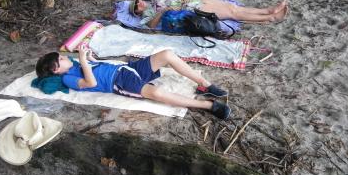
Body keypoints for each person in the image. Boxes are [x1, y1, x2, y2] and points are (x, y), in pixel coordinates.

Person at [35, 47, 231, 120]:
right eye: (60, 60)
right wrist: (84, 61)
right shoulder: (67, 78)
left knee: (167, 54)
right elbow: (90, 81)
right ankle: (208, 105)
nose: (64, 58)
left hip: (128, 69)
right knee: (158, 94)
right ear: (55, 70)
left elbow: (95, 66)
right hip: (120, 81)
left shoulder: (75, 64)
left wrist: (89, 57)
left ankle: (205, 84)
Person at [131, 0, 288, 29]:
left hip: (190, 1)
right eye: (136, 6)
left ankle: (268, 10)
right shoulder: (147, 14)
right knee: (232, 13)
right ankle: (270, 17)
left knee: (233, 7)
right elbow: (151, 27)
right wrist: (163, 11)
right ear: (138, 13)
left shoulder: (152, 1)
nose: (139, 3)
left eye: (137, 1)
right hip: (187, 11)